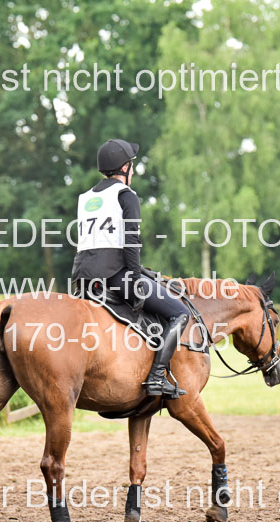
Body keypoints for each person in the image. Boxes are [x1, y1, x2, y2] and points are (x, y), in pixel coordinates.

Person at [71, 138, 189, 398]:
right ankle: (157, 377)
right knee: (180, 313)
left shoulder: (85, 197)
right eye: (132, 165)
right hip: (114, 275)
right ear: (124, 168)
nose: (133, 170)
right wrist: (135, 280)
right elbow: (131, 242)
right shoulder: (126, 195)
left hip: (82, 278)